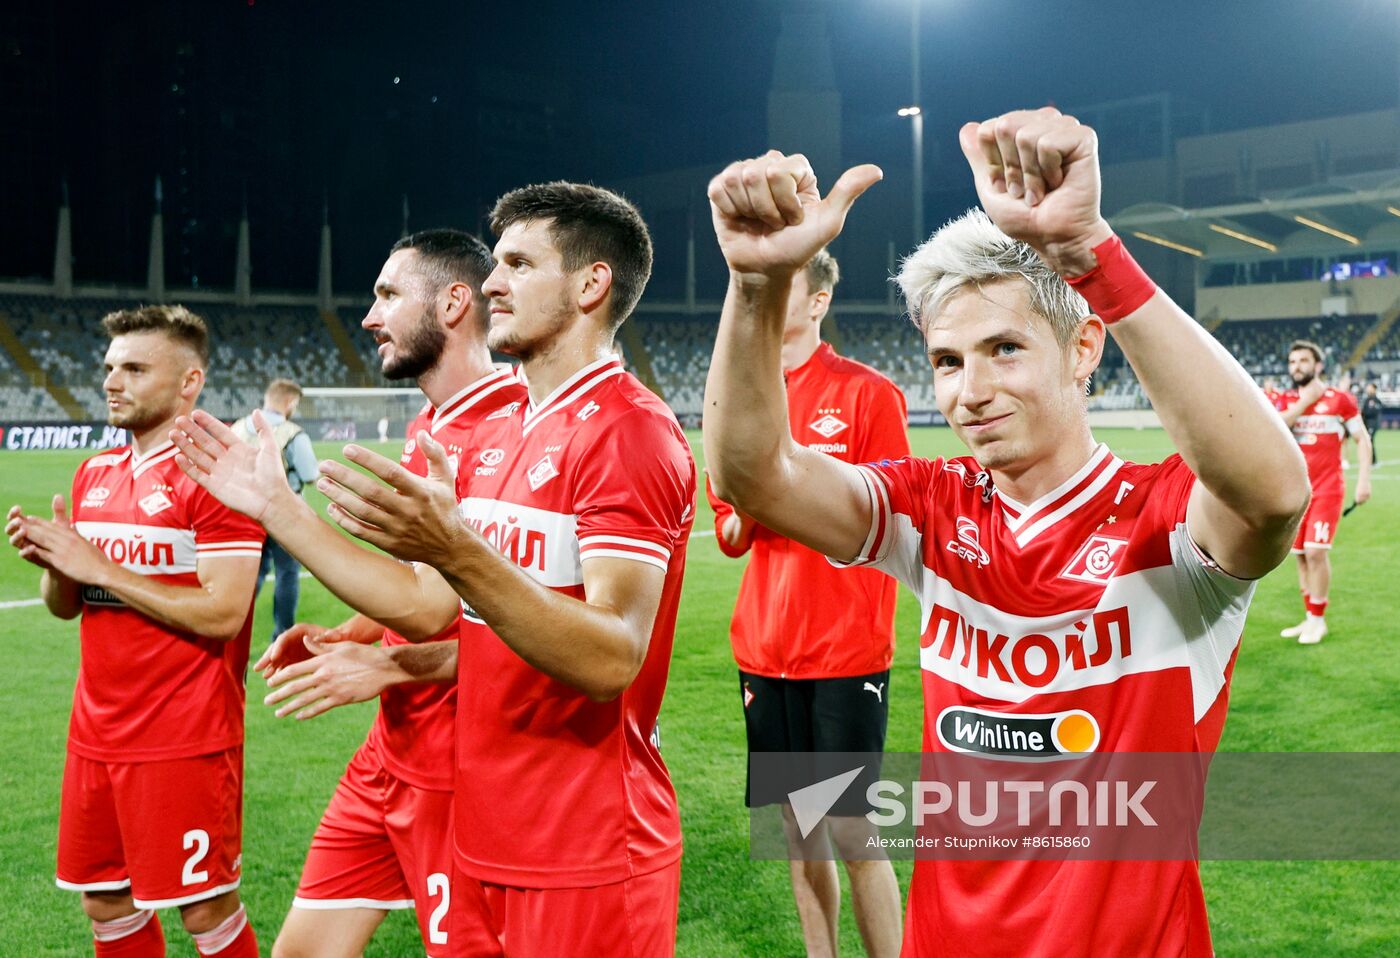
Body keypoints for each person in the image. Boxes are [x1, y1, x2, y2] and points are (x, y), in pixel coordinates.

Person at [702, 108, 1309, 957]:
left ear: (1083, 347)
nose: (969, 391)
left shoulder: (1165, 519)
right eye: (948, 361)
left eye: (1005, 349)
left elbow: (1276, 496)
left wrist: (1091, 250)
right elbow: (752, 474)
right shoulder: (931, 508)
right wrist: (757, 284)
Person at [170, 182, 695, 957]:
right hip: (487, 820)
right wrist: (278, 510)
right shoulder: (496, 430)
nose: (493, 283)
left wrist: (450, 559)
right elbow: (423, 601)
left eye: (518, 263)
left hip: (587, 843)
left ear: (591, 285)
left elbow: (614, 657)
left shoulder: (630, 431)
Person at [251, 230, 524, 957]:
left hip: (459, 771)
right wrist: (355, 632)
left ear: (454, 302)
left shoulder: (518, 427)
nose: (369, 316)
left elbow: (514, 622)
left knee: (834, 831)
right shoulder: (431, 425)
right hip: (392, 748)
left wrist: (392, 666)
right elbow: (423, 590)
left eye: (388, 294)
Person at [6, 305, 264, 958]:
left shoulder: (222, 477)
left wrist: (102, 567)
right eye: (110, 367)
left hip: (184, 736)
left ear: (189, 383)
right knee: (106, 899)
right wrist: (59, 567)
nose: (113, 381)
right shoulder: (94, 473)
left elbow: (225, 613)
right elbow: (67, 607)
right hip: (94, 733)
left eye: (135, 368)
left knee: (205, 909)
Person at [706, 248, 906, 958]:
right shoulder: (738, 397)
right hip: (764, 648)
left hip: (843, 647)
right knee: (798, 827)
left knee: (853, 826)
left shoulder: (867, 394)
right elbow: (729, 531)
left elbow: (883, 517)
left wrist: (783, 482)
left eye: (783, 287)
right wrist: (760, 496)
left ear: (817, 301)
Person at [1274, 340, 1372, 644]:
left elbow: (1362, 439)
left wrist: (1363, 480)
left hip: (1328, 489)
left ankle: (1318, 620)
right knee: (1301, 556)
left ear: (1318, 366)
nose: (1296, 367)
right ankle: (1309, 618)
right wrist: (1303, 403)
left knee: (1316, 552)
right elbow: (1276, 428)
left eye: (1303, 361)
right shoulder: (1285, 400)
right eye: (1292, 362)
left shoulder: (1340, 400)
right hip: (1296, 493)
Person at [232, 378, 319, 644]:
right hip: (282, 514)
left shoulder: (237, 428)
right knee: (287, 573)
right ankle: (282, 636)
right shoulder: (292, 432)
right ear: (290, 401)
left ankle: (233, 628)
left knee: (251, 574)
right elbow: (309, 474)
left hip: (244, 511)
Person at [1361, 381, 1382, 466]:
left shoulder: (1376, 400)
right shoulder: (1367, 399)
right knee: (1367, 441)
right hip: (1366, 423)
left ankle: (1373, 461)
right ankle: (1370, 460)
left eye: (1370, 387)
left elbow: (1373, 413)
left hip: (1372, 424)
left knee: (1369, 441)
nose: (1368, 389)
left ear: (1374, 389)